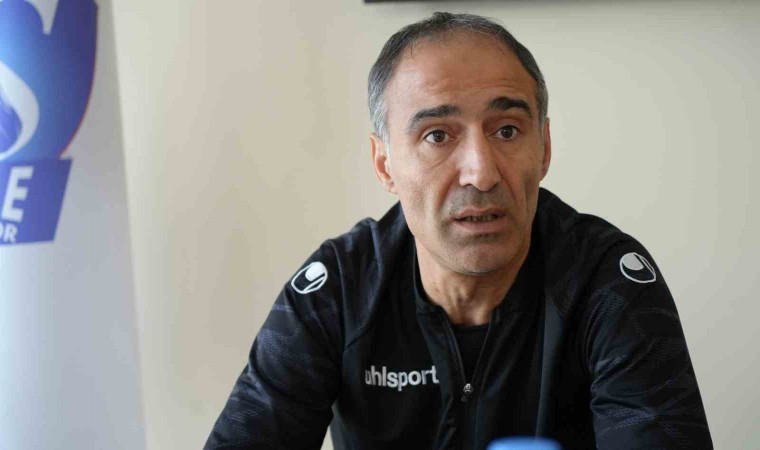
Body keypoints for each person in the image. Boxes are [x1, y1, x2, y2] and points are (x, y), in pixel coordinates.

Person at [204, 12, 712, 450]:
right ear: (384, 164)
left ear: (544, 148)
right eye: (437, 135)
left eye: (507, 130)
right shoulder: (338, 290)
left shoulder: (606, 281)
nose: (481, 173)